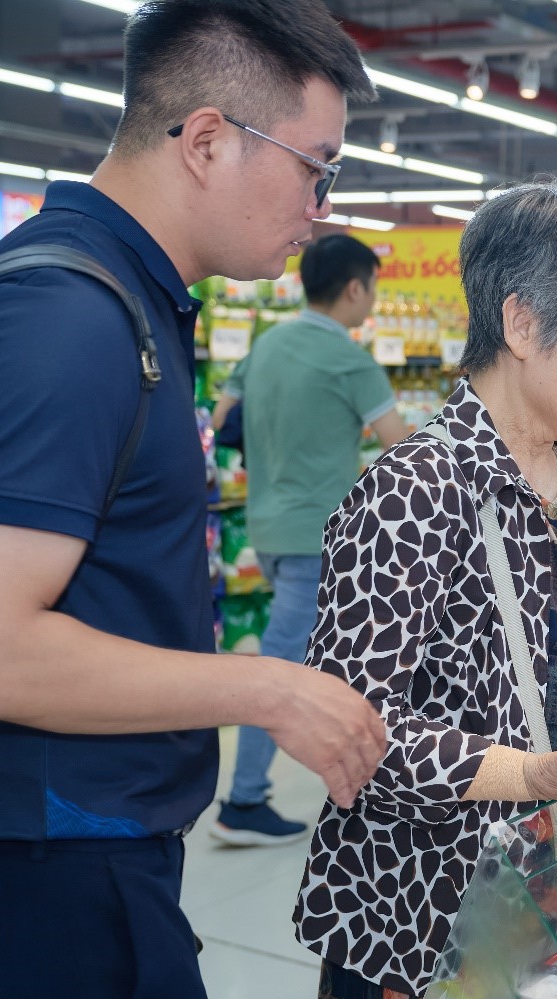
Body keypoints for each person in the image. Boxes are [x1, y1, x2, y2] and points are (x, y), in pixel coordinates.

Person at [0, 3, 387, 999]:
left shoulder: (126, 302)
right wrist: (264, 689)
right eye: (319, 165)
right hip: (32, 877)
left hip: (85, 855)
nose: (322, 204)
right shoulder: (64, 320)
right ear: (209, 141)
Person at [293, 182, 557, 999]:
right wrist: (538, 775)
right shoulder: (410, 492)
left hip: (550, 893)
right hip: (420, 920)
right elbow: (348, 734)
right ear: (523, 325)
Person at [207, 235, 407, 846]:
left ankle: (363, 775)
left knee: (324, 658)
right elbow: (403, 449)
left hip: (266, 527)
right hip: (319, 535)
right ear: (354, 288)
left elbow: (217, 422)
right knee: (283, 665)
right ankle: (242, 801)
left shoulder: (265, 346)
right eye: (371, 288)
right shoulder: (350, 359)